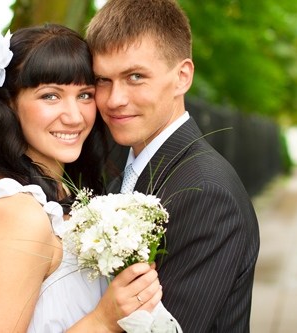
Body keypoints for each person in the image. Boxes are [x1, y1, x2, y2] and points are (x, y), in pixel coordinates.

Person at [0, 24, 163, 332]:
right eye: (50, 96)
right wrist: (103, 321)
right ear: (9, 104)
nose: (75, 116)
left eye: (84, 95)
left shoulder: (59, 195)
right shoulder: (18, 213)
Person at [86, 0, 260, 332]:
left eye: (135, 76)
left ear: (182, 77)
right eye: (102, 80)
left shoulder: (207, 193)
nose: (113, 99)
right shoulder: (125, 170)